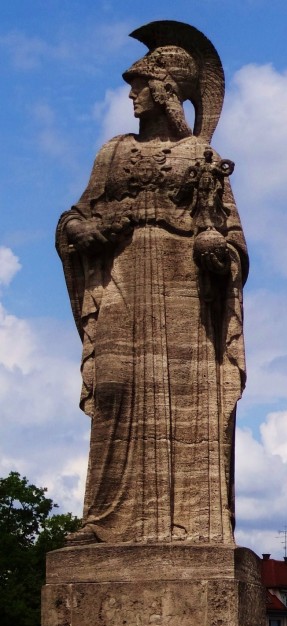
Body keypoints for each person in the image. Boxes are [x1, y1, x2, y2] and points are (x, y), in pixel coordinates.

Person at [56, 21, 247, 545]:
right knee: (112, 387)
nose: (131, 95)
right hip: (123, 279)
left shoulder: (203, 159)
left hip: (184, 288)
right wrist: (82, 230)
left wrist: (217, 250)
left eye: (139, 85)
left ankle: (195, 525)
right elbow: (76, 215)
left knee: (188, 397)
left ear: (165, 90)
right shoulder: (113, 152)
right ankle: (104, 521)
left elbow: (231, 237)